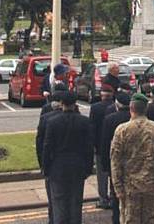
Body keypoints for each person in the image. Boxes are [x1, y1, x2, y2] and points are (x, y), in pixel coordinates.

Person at [111, 92, 154, 223]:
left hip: (129, 186)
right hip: (151, 184)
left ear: (131, 109)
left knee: (130, 219)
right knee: (151, 219)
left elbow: (115, 160)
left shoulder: (122, 130)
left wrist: (117, 187)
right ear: (146, 109)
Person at [42, 91, 93, 224]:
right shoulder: (84, 121)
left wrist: (45, 169)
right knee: (76, 204)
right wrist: (88, 168)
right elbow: (89, 147)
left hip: (57, 168)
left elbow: (47, 148)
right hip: (77, 167)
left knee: (59, 205)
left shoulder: (52, 122)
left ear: (61, 104)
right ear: (75, 104)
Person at [100, 91, 131, 224]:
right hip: (133, 163)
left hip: (116, 163)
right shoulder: (134, 117)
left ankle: (117, 219)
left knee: (117, 195)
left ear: (117, 105)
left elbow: (105, 143)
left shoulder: (109, 119)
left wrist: (105, 165)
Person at [36, 87, 65, 224]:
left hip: (52, 162)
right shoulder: (71, 112)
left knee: (53, 196)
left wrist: (42, 164)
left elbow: (41, 141)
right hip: (63, 163)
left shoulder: (46, 113)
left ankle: (53, 219)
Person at [89, 83, 115, 209]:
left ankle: (103, 199)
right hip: (115, 145)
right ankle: (114, 197)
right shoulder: (115, 107)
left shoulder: (95, 108)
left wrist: (93, 144)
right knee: (114, 173)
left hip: (100, 145)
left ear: (101, 95)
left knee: (102, 174)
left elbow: (92, 128)